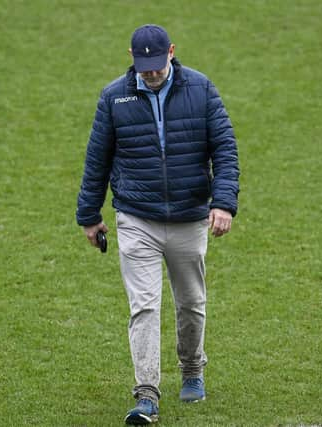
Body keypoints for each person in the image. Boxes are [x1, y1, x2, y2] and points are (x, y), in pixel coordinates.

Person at [76, 24, 240, 425]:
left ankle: (192, 368)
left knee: (191, 305)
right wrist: (89, 215)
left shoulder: (200, 90)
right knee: (144, 307)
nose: (150, 74)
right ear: (131, 59)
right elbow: (97, 159)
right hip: (136, 218)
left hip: (188, 217)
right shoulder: (114, 97)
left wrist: (223, 204)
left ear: (171, 52)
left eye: (156, 65)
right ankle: (146, 393)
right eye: (142, 67)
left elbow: (225, 149)